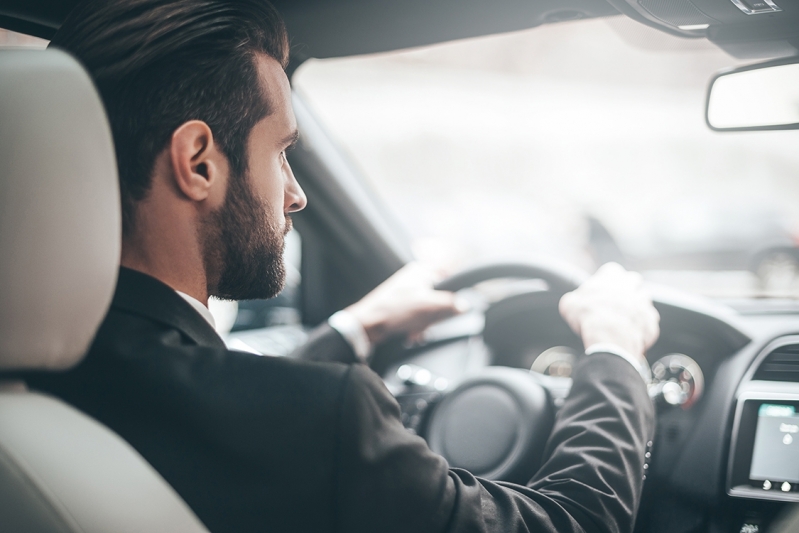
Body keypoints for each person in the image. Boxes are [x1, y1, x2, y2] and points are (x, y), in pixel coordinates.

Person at [19, 1, 660, 532]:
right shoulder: (324, 421)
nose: (295, 194)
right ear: (199, 163)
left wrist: (358, 327)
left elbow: (219, 413)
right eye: (282, 153)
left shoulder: (50, 373)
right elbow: (572, 522)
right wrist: (615, 354)